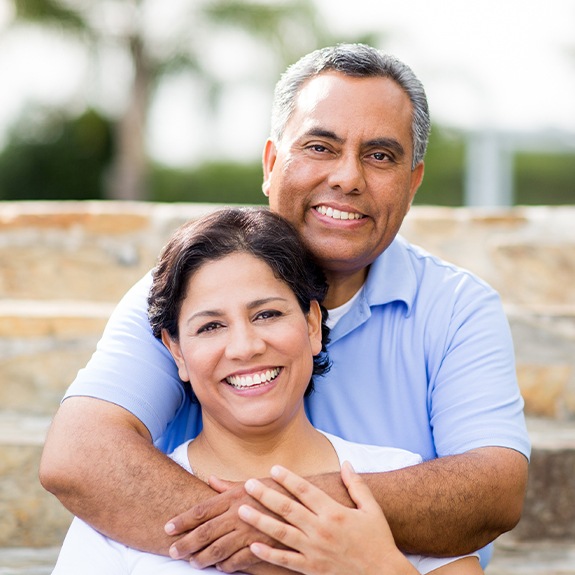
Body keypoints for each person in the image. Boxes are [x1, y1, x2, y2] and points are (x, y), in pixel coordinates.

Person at [40, 44, 530, 571]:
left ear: (413, 183)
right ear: (272, 164)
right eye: (320, 146)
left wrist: (295, 527)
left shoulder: (457, 308)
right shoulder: (187, 289)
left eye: (381, 156)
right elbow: (80, 454)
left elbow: (494, 488)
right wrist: (284, 552)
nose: (347, 178)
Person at [52, 207, 482, 574]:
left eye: (267, 314)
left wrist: (379, 566)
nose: (245, 347)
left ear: (313, 325)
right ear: (176, 353)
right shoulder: (118, 510)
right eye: (211, 326)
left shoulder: (395, 480)